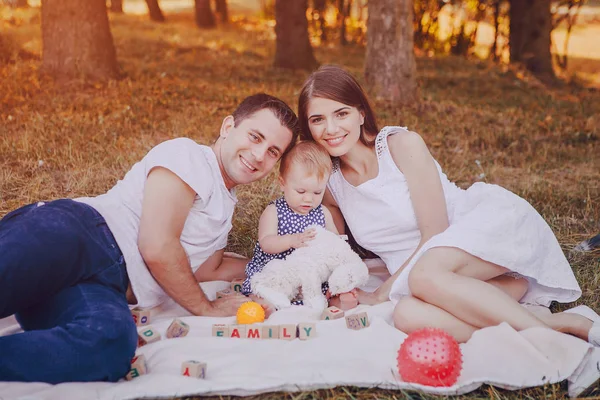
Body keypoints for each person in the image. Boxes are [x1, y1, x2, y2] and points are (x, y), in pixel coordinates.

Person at [0, 93, 298, 383]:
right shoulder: (189, 156)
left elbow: (211, 269)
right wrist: (205, 309)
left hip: (106, 285)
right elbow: (157, 246)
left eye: (273, 151)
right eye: (255, 137)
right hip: (79, 233)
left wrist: (282, 265)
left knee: (110, 345)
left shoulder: (225, 207)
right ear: (228, 127)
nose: (259, 155)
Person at [297, 65, 600, 347]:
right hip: (451, 283)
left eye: (341, 113)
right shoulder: (330, 187)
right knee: (407, 315)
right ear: (308, 128)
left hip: (480, 235)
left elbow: (436, 231)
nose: (331, 128)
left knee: (424, 277)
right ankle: (555, 322)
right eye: (317, 119)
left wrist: (380, 294)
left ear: (361, 113)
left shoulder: (400, 145)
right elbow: (336, 251)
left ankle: (550, 339)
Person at [241, 141, 338, 307]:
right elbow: (266, 243)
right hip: (277, 274)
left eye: (317, 192)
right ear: (282, 183)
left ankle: (315, 302)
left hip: (310, 275)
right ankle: (269, 306)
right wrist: (291, 241)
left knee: (336, 294)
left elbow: (335, 241)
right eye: (300, 191)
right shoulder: (274, 211)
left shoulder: (323, 213)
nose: (308, 198)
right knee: (261, 294)